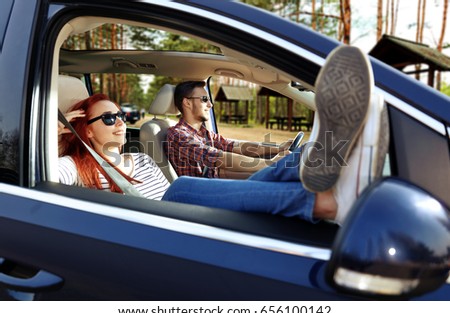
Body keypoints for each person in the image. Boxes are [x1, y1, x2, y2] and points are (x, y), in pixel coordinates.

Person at [58, 45, 386, 225]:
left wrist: (276, 153)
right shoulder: (79, 166)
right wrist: (59, 125)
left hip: (186, 209)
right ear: (84, 127)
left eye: (120, 113)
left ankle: (325, 155)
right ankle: (328, 199)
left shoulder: (140, 157)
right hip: (161, 217)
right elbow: (221, 158)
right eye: (109, 116)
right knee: (185, 186)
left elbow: (231, 144)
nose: (120, 121)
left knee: (285, 166)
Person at [166, 80, 292, 178]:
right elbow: (219, 158)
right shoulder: (178, 134)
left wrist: (278, 148)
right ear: (187, 103)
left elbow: (234, 146)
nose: (210, 104)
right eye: (204, 99)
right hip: (198, 191)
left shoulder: (203, 133)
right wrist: (269, 164)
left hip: (212, 181)